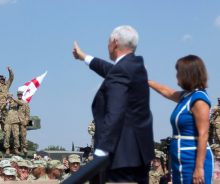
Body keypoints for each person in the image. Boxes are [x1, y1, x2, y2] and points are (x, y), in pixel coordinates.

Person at [72, 25, 154, 183]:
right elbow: (110, 70)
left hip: (120, 157)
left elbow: (116, 111)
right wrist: (84, 57)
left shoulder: (123, 70)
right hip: (138, 154)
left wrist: (102, 150)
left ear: (115, 42)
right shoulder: (136, 66)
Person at [148, 55, 213, 183]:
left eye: (178, 72)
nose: (176, 75)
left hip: (192, 159)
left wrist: (199, 168)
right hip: (180, 159)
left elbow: (204, 134)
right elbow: (167, 91)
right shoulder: (187, 96)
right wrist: (147, 82)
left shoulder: (199, 100)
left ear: (188, 74)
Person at [0, 66, 14, 131]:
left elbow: (11, 78)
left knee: (5, 123)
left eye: (3, 79)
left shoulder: (7, 85)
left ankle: (5, 137)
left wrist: (10, 70)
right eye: (1, 79)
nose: (2, 80)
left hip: (5, 106)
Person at [17, 90, 30, 155]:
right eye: (18, 95)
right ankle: (16, 148)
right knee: (15, 136)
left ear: (22, 95)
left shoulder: (25, 104)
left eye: (20, 95)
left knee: (23, 135)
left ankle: (23, 148)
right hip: (15, 121)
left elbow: (27, 114)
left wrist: (26, 121)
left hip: (22, 122)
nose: (19, 95)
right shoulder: (14, 103)